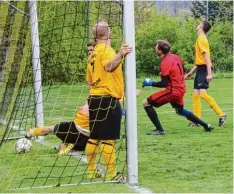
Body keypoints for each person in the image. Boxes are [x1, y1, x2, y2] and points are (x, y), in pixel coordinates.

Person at [85, 21, 132, 180]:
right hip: (106, 99)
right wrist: (121, 53)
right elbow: (109, 67)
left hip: (94, 98)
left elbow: (90, 81)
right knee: (108, 139)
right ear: (109, 34)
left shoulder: (93, 53)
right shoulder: (106, 50)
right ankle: (112, 174)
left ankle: (91, 171)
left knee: (94, 137)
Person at [142, 40, 213, 135]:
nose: (155, 48)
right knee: (180, 111)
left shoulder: (164, 62)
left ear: (160, 51)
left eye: (156, 46)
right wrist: (164, 74)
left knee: (146, 103)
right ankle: (205, 125)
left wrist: (151, 83)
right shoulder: (176, 57)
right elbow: (176, 72)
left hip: (173, 91)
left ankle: (160, 130)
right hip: (181, 88)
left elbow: (164, 83)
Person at [185, 21, 227, 127]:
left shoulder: (202, 39)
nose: (197, 24)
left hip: (204, 69)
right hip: (200, 68)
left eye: (199, 23)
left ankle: (221, 115)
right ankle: (197, 120)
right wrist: (191, 72)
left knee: (202, 94)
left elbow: (207, 57)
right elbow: (199, 60)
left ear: (202, 27)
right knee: (195, 94)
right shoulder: (199, 38)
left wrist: (209, 73)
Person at [25, 101, 90, 155]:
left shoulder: (93, 97)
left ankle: (32, 132)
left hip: (73, 128)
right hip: (86, 139)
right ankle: (64, 147)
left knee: (50, 129)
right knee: (76, 146)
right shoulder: (97, 99)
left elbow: (85, 109)